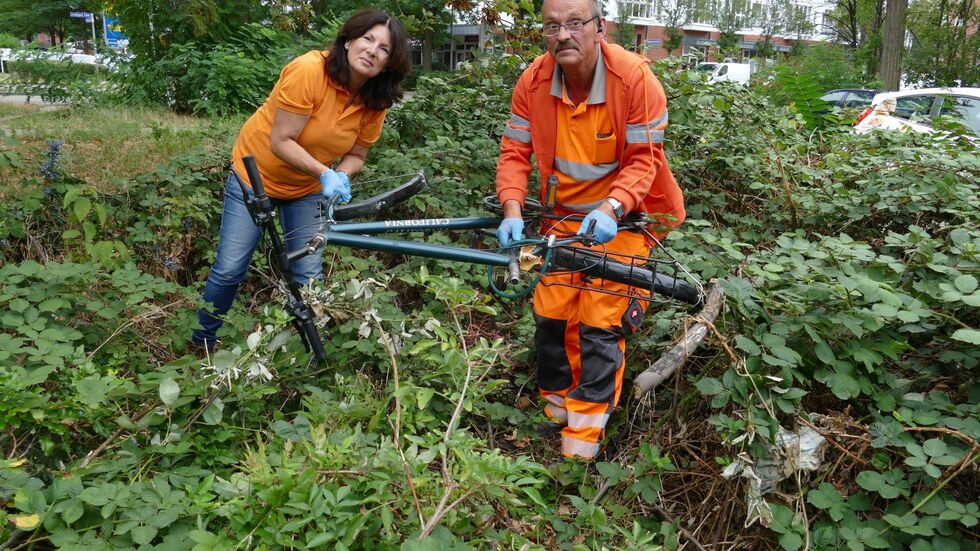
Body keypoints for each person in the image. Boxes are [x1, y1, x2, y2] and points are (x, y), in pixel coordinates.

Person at [494, 0, 685, 460]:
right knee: (552, 317)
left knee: (600, 324)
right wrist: (512, 209)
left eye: (575, 23)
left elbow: (645, 160)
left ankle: (580, 446)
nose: (563, 35)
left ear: (600, 28)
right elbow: (514, 153)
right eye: (552, 26)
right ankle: (555, 414)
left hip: (622, 218)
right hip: (558, 221)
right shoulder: (534, 81)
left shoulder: (635, 79)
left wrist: (612, 206)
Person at [191, 9, 410, 352]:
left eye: (384, 49)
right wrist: (324, 172)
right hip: (257, 176)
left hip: (306, 188)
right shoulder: (309, 70)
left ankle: (309, 348)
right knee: (232, 267)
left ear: (389, 64)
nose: (372, 50)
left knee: (308, 273)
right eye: (367, 39)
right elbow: (281, 141)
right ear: (349, 40)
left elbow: (357, 154)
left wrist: (341, 175)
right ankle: (202, 340)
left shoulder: (375, 100)